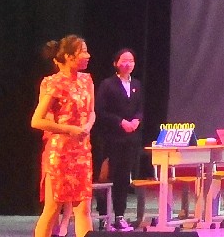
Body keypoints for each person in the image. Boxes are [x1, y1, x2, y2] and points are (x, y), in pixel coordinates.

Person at [31, 34, 97, 237]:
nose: (88, 55)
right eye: (82, 51)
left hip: (82, 151)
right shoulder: (54, 83)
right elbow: (37, 120)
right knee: (52, 209)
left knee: (83, 209)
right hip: (60, 153)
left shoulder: (87, 80)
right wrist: (69, 129)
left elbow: (91, 112)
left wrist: (87, 126)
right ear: (68, 56)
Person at [94, 49, 147, 229]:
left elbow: (140, 108)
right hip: (111, 140)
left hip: (130, 141)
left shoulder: (137, 84)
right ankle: (103, 217)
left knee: (123, 179)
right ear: (115, 63)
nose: (127, 64)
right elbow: (101, 111)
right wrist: (120, 122)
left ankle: (119, 216)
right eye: (124, 60)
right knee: (106, 178)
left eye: (131, 60)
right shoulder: (107, 84)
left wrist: (136, 120)